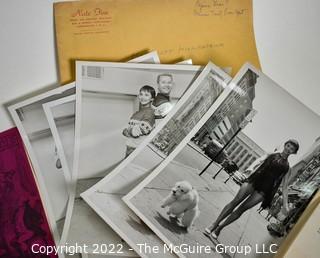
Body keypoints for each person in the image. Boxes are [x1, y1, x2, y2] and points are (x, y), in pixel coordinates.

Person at [204, 139, 300, 239]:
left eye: (292, 149)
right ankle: (214, 224)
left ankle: (220, 228)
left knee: (242, 209)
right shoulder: (272, 154)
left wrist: (285, 205)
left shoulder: (288, 168)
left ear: (294, 152)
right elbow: (260, 160)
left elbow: (285, 188)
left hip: (264, 190)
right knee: (235, 201)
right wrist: (251, 168)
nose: (289, 149)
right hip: (254, 179)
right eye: (288, 146)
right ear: (285, 145)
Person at [123, 85, 156, 157]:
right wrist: (126, 131)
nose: (143, 97)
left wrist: (128, 131)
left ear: (152, 99)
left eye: (146, 95)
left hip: (137, 150)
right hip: (129, 147)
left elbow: (142, 129)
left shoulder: (150, 112)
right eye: (141, 94)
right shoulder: (136, 113)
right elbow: (127, 129)